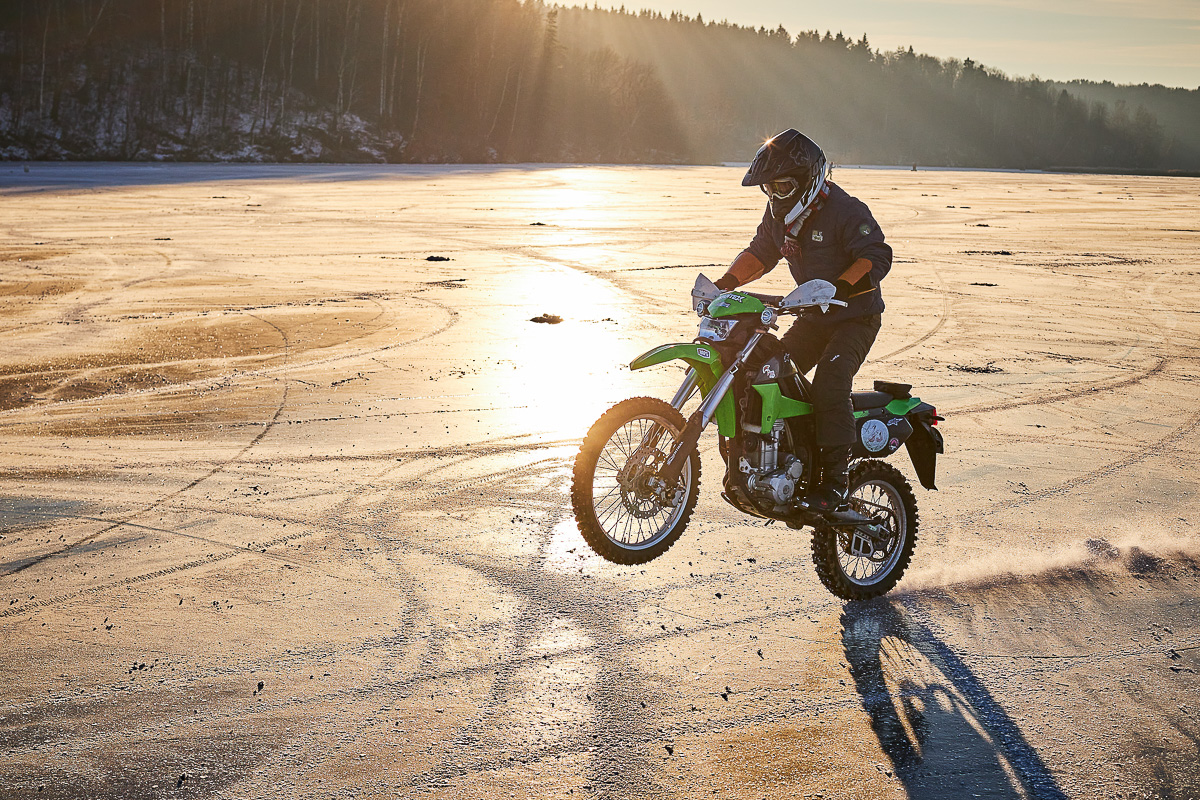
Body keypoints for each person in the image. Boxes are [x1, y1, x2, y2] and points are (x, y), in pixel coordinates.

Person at [712, 129, 891, 513]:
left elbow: (876, 255)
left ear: (808, 180)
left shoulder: (846, 210)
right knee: (762, 367)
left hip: (854, 319)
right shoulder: (780, 212)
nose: (775, 195)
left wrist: (840, 287)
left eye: (782, 185)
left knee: (830, 380)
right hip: (812, 319)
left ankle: (835, 480)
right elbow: (761, 252)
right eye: (769, 188)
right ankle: (762, 459)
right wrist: (724, 285)